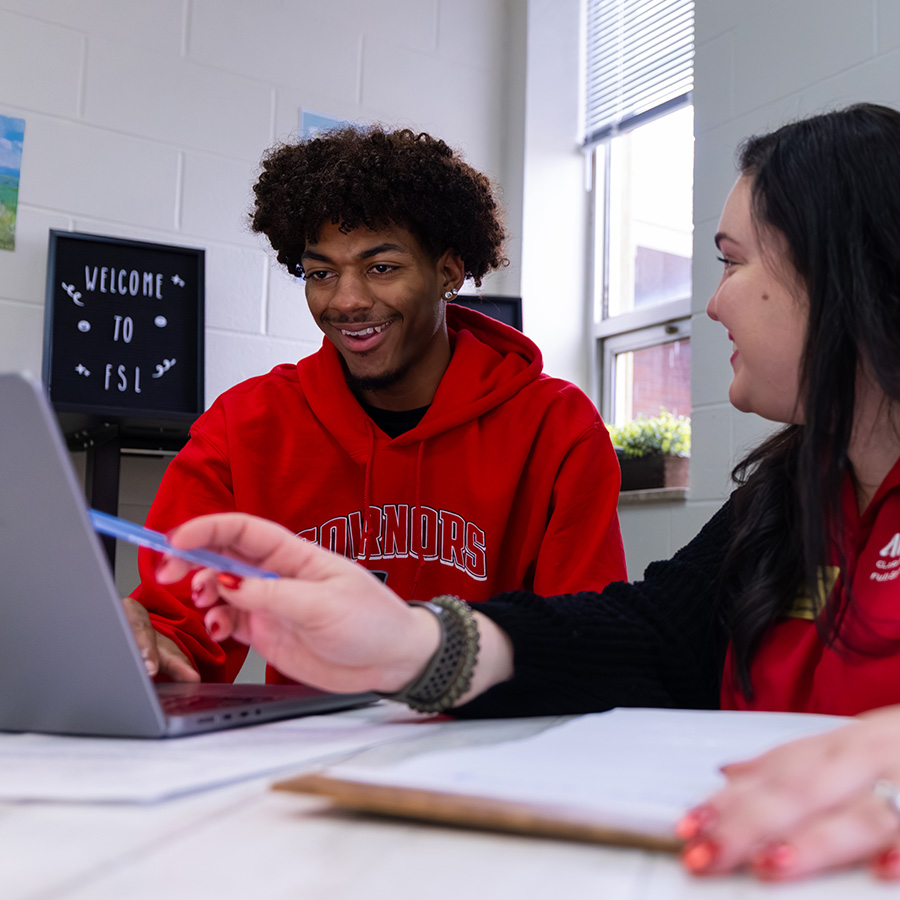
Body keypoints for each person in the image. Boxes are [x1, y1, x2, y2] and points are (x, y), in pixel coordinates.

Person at [153, 103, 900, 881]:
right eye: (321, 271)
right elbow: (646, 637)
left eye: (731, 262)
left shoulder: (553, 424)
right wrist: (413, 642)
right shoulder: (790, 493)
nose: (712, 303)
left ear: (843, 272)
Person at [127, 125, 626, 684]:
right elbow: (177, 623)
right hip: (306, 758)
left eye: (381, 267)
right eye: (321, 273)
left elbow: (587, 642)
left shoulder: (557, 428)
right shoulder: (242, 426)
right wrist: (151, 648)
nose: (346, 300)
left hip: (486, 755)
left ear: (449, 270)